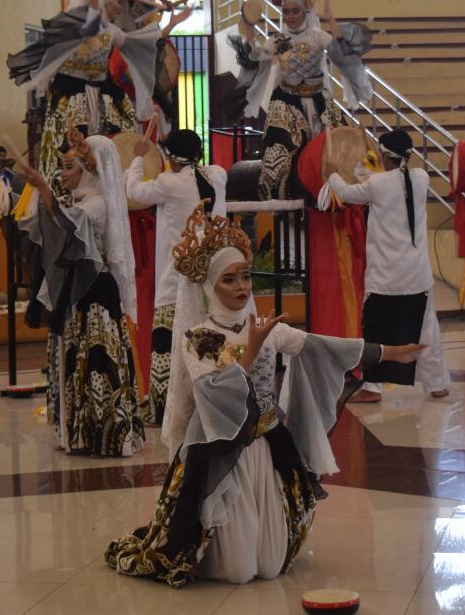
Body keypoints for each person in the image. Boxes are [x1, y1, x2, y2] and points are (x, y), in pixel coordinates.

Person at [105, 207, 424, 587]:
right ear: (209, 286)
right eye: (229, 279)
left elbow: (322, 347)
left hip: (265, 449)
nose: (241, 286)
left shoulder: (265, 329)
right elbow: (213, 396)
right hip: (222, 455)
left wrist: (389, 352)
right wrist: (251, 350)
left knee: (271, 566)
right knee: (238, 572)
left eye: (244, 276)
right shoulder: (198, 338)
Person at [13, 127, 145, 457]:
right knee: (79, 356)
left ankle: (104, 431)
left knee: (97, 358)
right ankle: (83, 429)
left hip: (96, 292)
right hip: (79, 291)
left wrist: (43, 188)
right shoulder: (83, 200)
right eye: (62, 166)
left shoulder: (97, 204)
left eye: (70, 166)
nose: (63, 173)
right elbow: (55, 220)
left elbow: (69, 226)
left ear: (89, 170)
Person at [321, 129, 450, 403]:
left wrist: (332, 173)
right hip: (418, 274)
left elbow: (345, 192)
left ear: (384, 155)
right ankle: (437, 383)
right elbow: (392, 182)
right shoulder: (421, 177)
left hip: (386, 276)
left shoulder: (378, 184)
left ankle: (373, 388)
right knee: (427, 327)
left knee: (378, 329)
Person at [228, 0, 374, 199]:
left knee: (343, 150)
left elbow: (342, 54)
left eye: (295, 11)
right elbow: (257, 61)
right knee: (275, 161)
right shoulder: (277, 40)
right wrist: (248, 32)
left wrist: (333, 23)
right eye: (286, 11)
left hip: (319, 100)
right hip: (286, 101)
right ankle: (282, 210)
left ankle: (343, 199)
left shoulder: (317, 36)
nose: (290, 16)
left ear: (305, 11)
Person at [124, 129, 229, 425]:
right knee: (208, 341)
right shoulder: (217, 176)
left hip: (176, 281)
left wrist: (138, 158)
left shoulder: (169, 183)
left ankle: (163, 410)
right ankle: (209, 403)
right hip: (213, 278)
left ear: (169, 156)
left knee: (166, 343)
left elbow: (133, 191)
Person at [7, 0, 154, 190]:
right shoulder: (76, 29)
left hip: (103, 93)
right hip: (71, 94)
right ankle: (64, 193)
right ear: (104, 0)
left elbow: (140, 45)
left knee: (116, 139)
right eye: (118, 2)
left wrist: (166, 28)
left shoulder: (113, 32)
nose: (121, 9)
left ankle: (110, 188)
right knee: (67, 144)